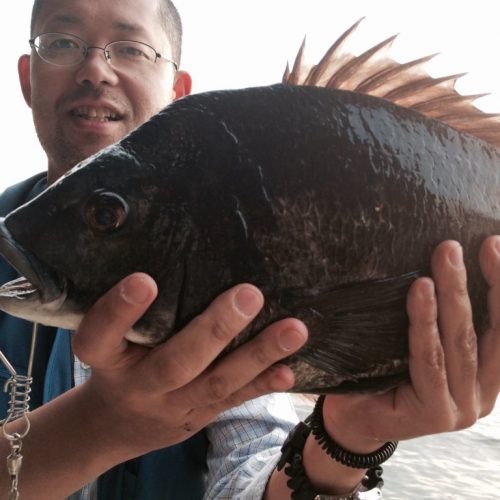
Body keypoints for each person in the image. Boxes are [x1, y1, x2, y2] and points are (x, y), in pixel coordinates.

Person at [0, 0, 499, 498]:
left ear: (177, 92)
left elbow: (251, 470)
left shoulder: (222, 308)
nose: (95, 69)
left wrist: (349, 438)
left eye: (131, 47)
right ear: (27, 76)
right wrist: (99, 426)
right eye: (62, 42)